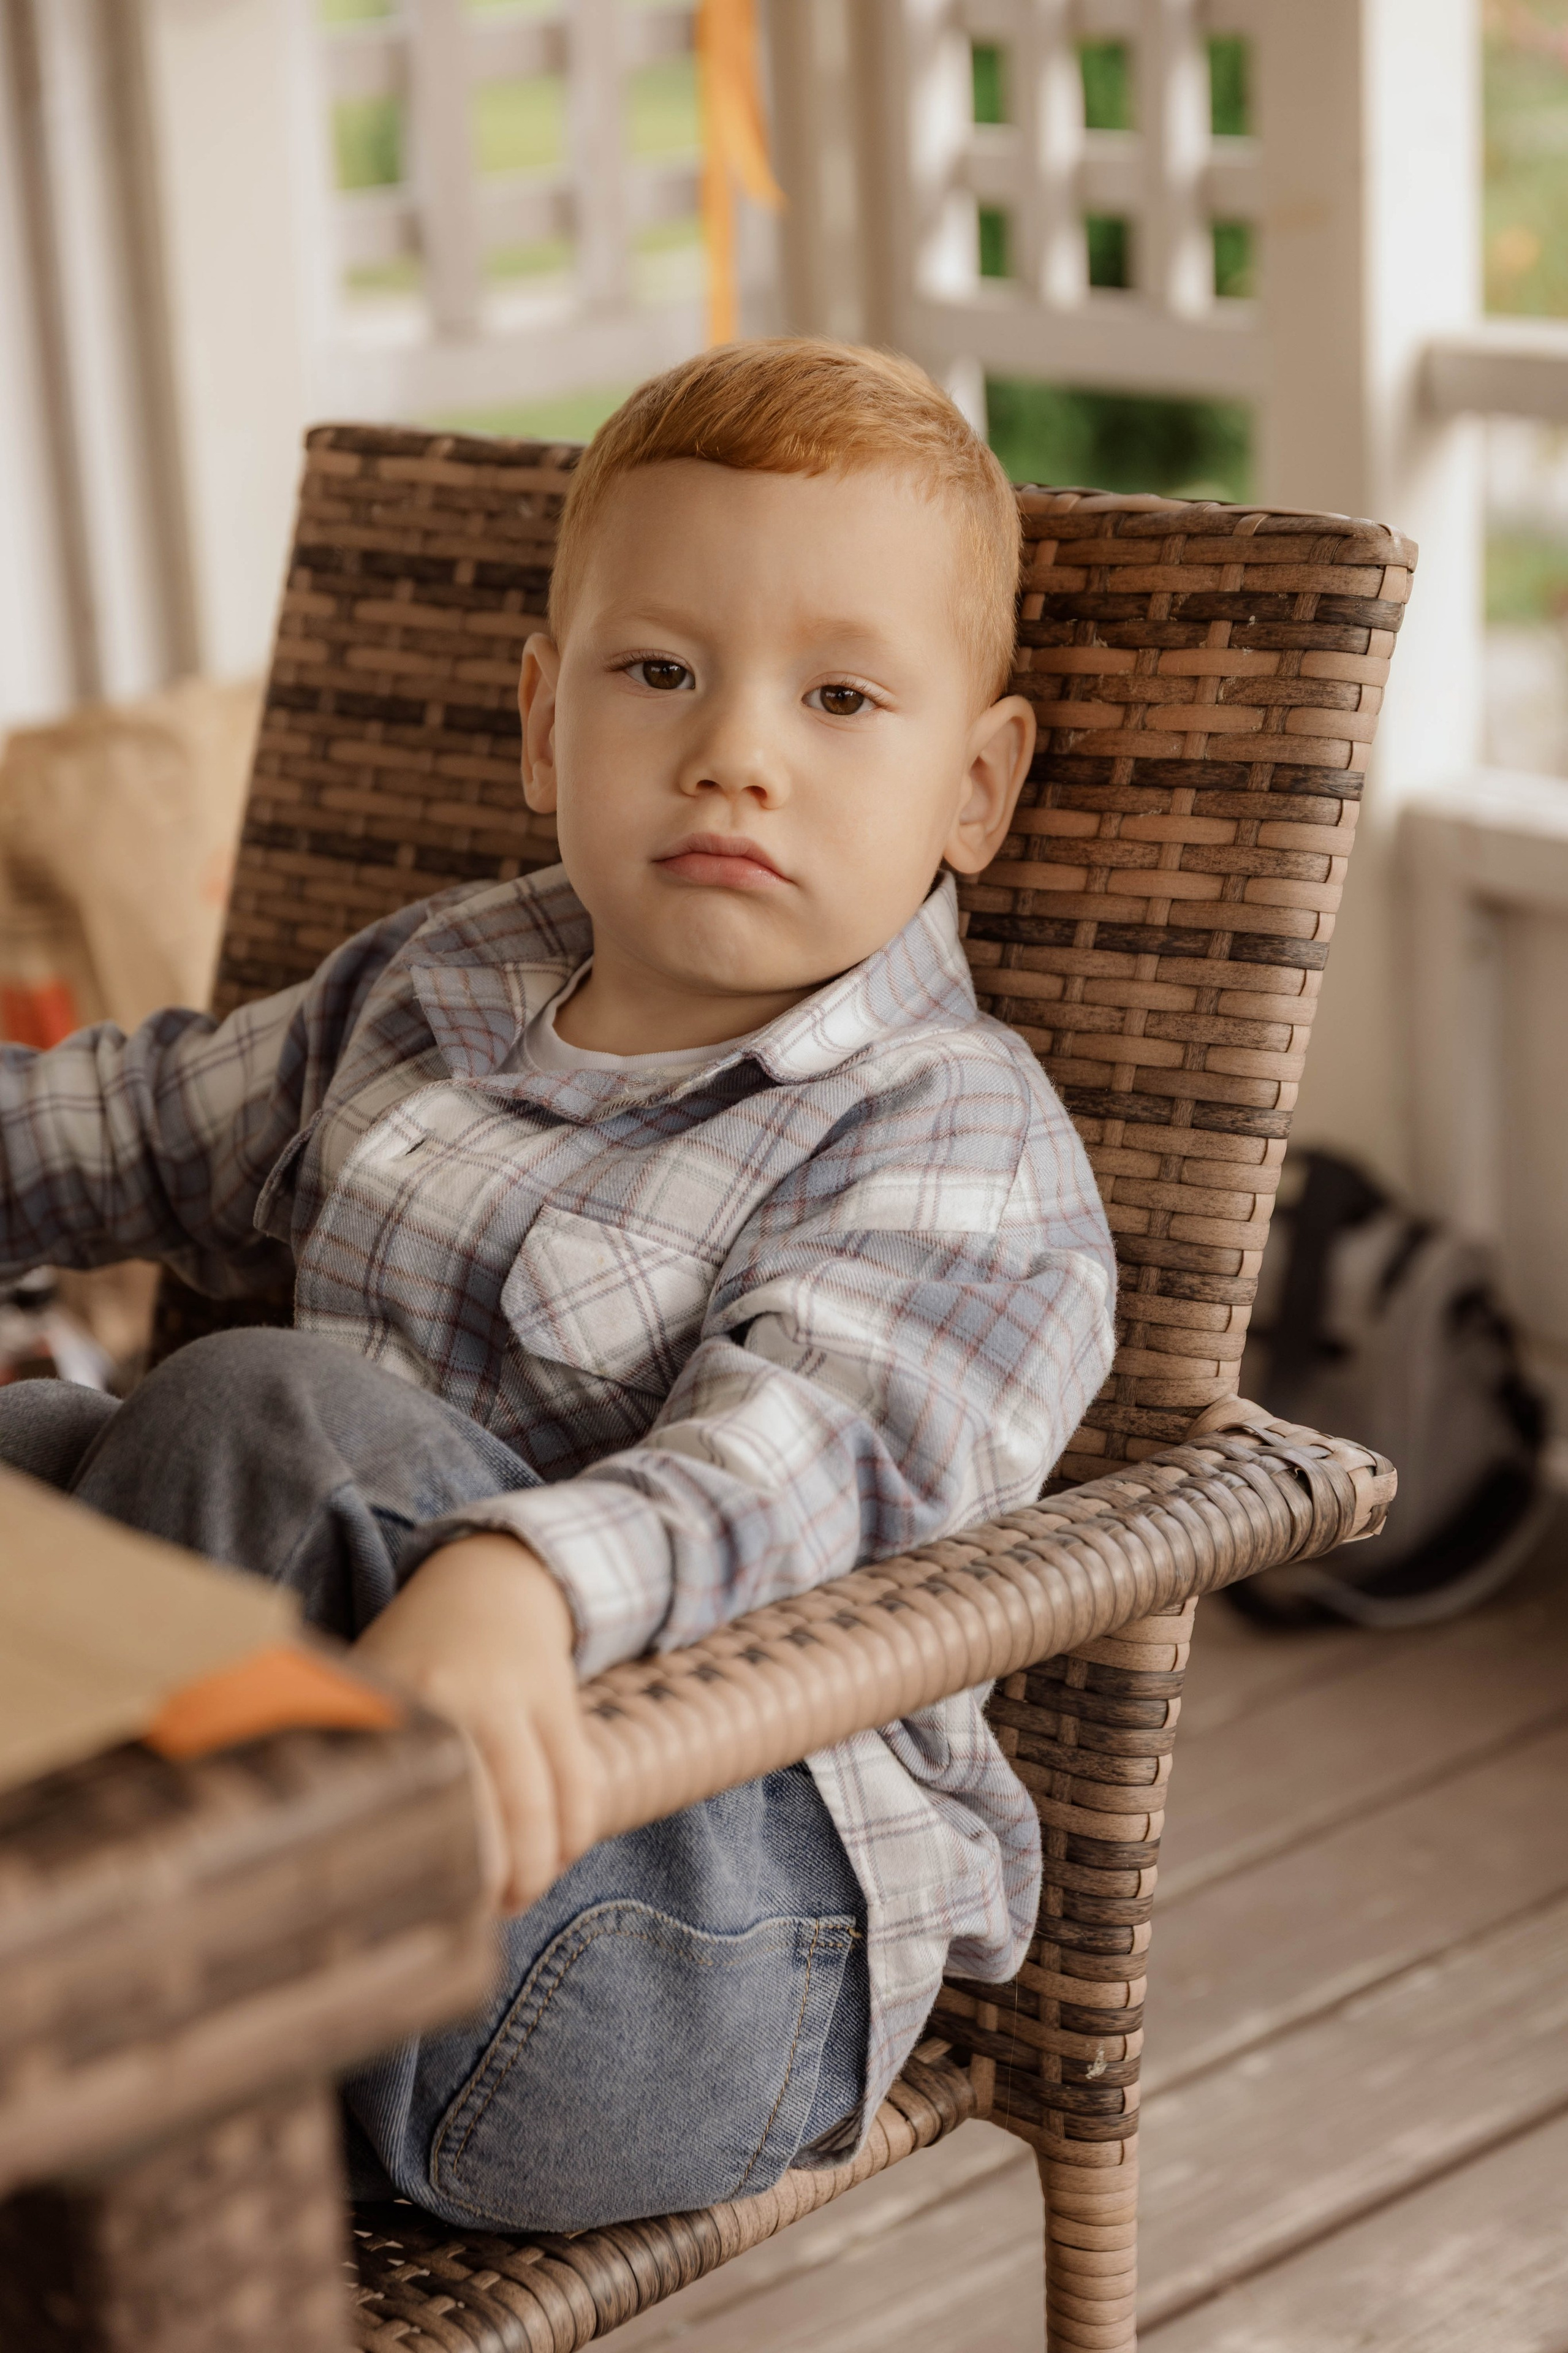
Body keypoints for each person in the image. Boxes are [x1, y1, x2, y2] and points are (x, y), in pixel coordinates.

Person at [0, 339, 1115, 2232]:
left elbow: (817, 1461)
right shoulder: (436, 986)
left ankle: (73, 1980)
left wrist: (522, 1585)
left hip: (678, 1948)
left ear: (976, 784)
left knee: (256, 1414)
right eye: (658, 671)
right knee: (38, 1449)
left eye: (841, 696)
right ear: (544, 722)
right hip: (329, 1855)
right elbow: (119, 1128)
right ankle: (91, 1980)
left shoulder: (953, 1141)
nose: (733, 750)